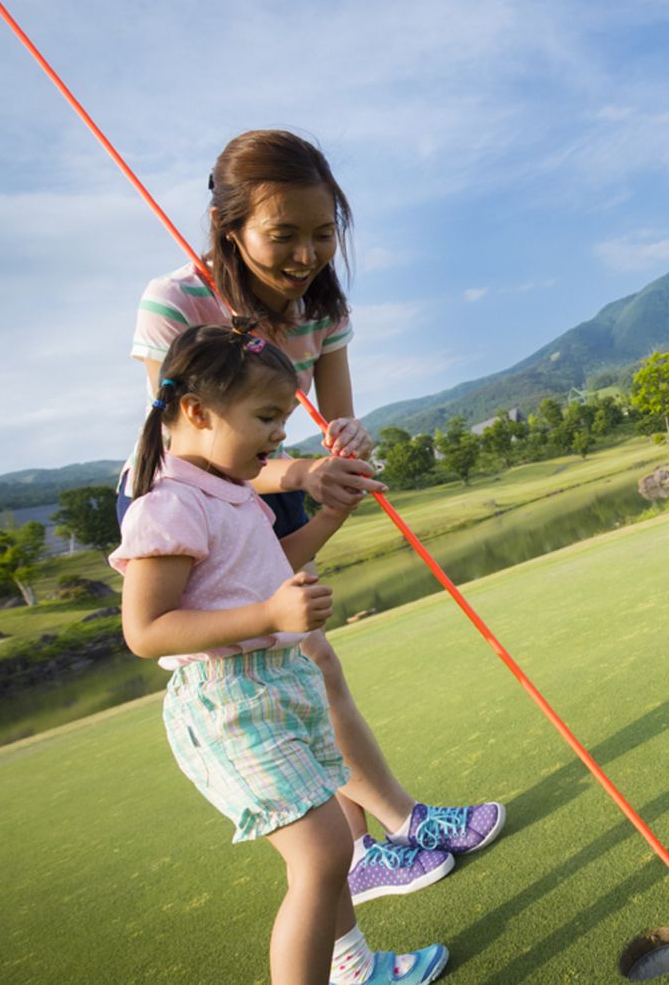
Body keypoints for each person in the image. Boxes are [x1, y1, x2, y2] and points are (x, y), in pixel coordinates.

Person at [120, 129, 502, 899]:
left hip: (275, 476)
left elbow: (335, 416)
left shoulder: (320, 304)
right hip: (189, 499)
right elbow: (197, 447)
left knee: (312, 661)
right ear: (227, 225)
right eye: (281, 234)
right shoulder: (176, 302)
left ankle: (380, 839)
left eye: (323, 234)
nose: (305, 254)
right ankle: (377, 838)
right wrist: (305, 470)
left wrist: (345, 443)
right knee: (293, 665)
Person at [112, 324, 446, 984]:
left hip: (282, 686)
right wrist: (269, 615)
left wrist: (329, 518)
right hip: (230, 701)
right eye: (266, 417)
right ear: (197, 413)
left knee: (327, 851)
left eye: (283, 419)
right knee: (322, 856)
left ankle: (354, 968)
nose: (278, 437)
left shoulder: (230, 489)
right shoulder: (167, 503)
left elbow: (264, 566)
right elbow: (146, 629)